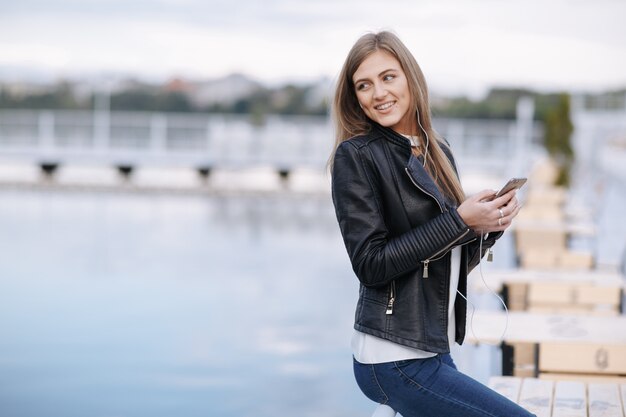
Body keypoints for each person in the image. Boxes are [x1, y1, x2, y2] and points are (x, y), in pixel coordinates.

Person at [329, 31, 533, 417]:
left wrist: (486, 229)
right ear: (354, 96)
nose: (378, 93)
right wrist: (459, 221)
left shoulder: (439, 151)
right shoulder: (355, 156)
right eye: (364, 85)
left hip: (433, 350)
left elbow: (446, 265)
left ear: (410, 77)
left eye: (388, 77)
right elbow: (370, 265)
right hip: (390, 360)